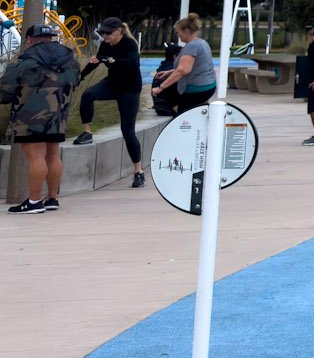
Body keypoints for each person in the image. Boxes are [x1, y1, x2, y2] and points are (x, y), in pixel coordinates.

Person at [3, 23, 82, 214]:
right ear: (51, 38)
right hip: (59, 114)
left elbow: (5, 90)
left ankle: (34, 201)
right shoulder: (70, 59)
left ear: (30, 40)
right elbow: (76, 81)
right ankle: (52, 198)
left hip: (29, 116)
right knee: (53, 154)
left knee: (35, 156)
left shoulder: (26, 60)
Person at [77, 16, 147, 188]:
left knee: (127, 131)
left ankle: (138, 171)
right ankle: (87, 132)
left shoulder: (130, 44)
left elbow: (132, 63)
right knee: (88, 95)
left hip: (129, 89)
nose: (105, 36)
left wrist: (109, 60)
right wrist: (80, 77)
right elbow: (96, 61)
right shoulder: (105, 45)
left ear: (119, 31)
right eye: (103, 33)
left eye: (108, 33)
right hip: (112, 84)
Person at [151, 15, 218, 116]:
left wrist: (160, 88)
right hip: (209, 86)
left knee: (184, 116)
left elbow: (183, 70)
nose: (178, 35)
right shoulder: (202, 42)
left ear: (186, 31)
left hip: (197, 89)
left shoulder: (191, 46)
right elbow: (194, 66)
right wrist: (169, 72)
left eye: (179, 32)